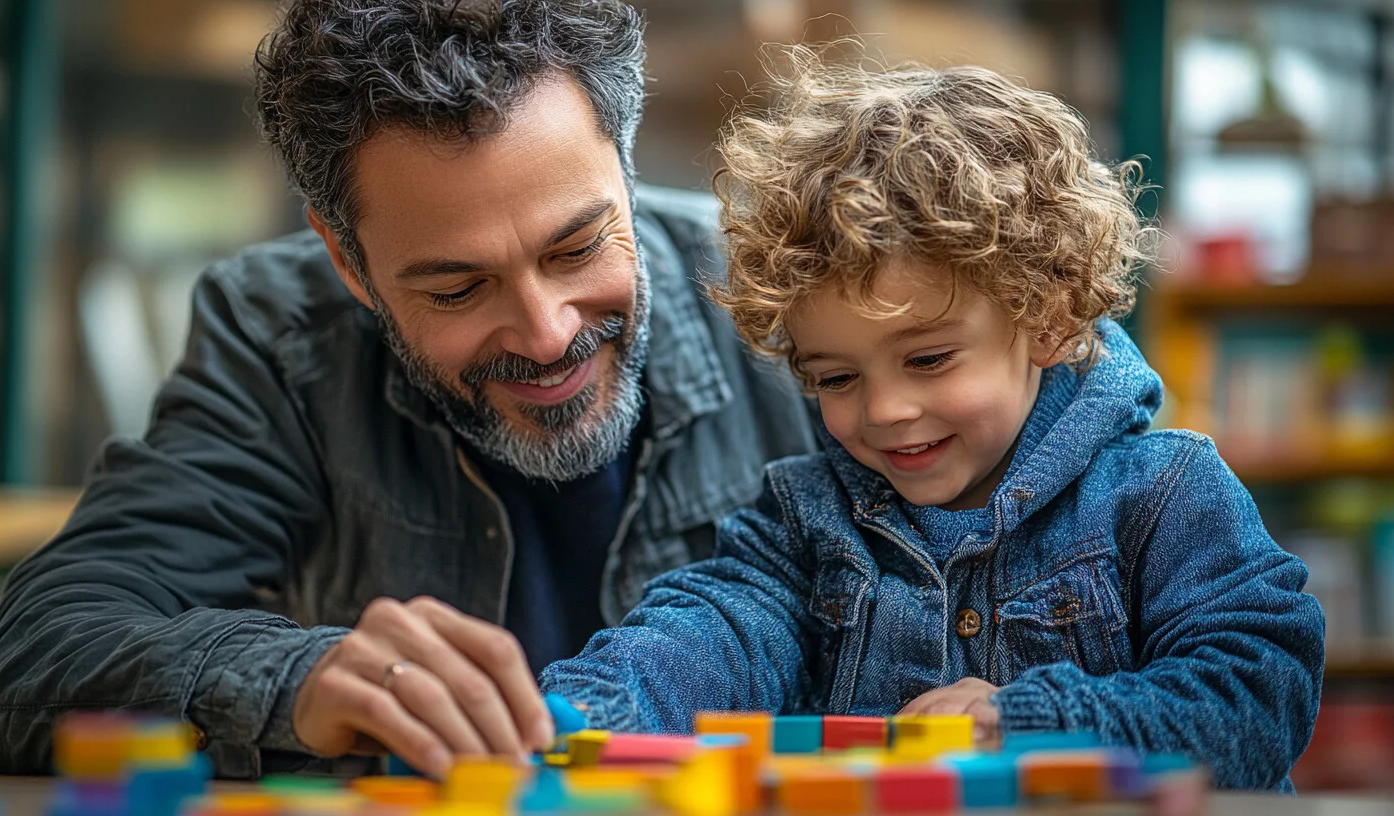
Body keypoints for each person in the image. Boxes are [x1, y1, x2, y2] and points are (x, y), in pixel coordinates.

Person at [0, 0, 818, 779]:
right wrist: (299, 679)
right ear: (350, 264)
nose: (547, 335)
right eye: (457, 289)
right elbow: (32, 662)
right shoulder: (280, 340)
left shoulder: (794, 299)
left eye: (578, 249)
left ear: (626, 176)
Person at [539, 52, 1325, 791]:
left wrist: (1028, 724)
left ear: (1048, 317)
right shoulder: (808, 522)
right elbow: (711, 633)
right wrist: (579, 713)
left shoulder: (1163, 496)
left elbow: (1257, 694)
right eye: (836, 377)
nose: (884, 410)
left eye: (928, 360)